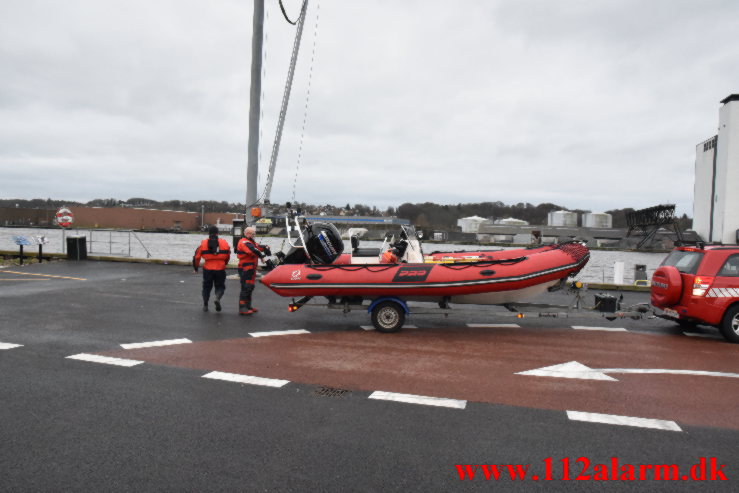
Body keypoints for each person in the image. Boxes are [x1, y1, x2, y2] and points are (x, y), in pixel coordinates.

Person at [193, 225, 231, 312]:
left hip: (208, 269)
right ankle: (217, 298)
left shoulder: (203, 243)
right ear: (218, 233)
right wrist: (224, 263)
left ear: (208, 233)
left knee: (206, 287)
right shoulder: (224, 242)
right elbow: (228, 255)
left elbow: (197, 257)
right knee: (220, 286)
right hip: (220, 268)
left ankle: (205, 305)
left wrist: (195, 268)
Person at [235, 226, 270, 315]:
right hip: (245, 267)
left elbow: (258, 247)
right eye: (252, 234)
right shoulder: (244, 242)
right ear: (247, 234)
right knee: (246, 287)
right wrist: (262, 257)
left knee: (250, 287)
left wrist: (265, 247)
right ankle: (242, 308)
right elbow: (253, 250)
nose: (254, 235)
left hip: (251, 268)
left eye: (254, 234)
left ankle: (248, 305)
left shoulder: (250, 242)